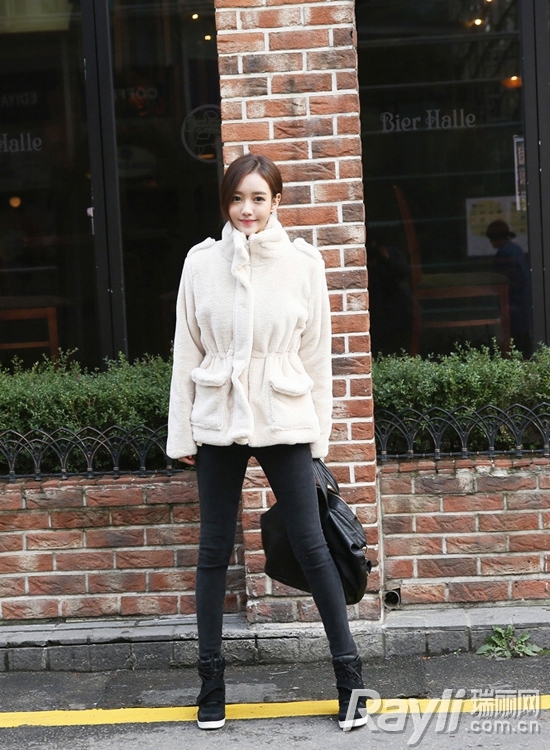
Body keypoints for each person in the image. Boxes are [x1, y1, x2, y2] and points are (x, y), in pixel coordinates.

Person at [167, 153, 367, 732]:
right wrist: (182, 431)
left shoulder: (304, 263)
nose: (246, 209)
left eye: (258, 198)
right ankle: (211, 686)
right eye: (237, 198)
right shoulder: (200, 263)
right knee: (213, 551)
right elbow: (186, 350)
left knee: (312, 543)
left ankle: (350, 680)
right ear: (225, 203)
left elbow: (317, 357)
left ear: (277, 201)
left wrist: (318, 435)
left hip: (284, 415)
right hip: (218, 416)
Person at [486, 219, 532, 358]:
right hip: (521, 302)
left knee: (515, 339)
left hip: (513, 302)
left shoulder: (505, 253)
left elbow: (502, 278)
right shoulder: (515, 249)